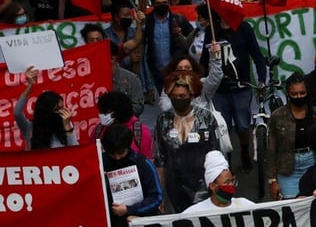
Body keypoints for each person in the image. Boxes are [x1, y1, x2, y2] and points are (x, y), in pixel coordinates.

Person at [201, 10, 268, 173]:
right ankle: (226, 161)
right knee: (222, 128)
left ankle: (244, 151)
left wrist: (261, 80)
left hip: (241, 87)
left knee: (243, 125)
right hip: (219, 89)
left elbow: (257, 55)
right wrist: (202, 82)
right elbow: (204, 59)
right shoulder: (212, 30)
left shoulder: (244, 29)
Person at [153, 71, 221, 212]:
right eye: (174, 97)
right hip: (175, 185)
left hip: (203, 184)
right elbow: (160, 159)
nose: (178, 99)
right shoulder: (163, 120)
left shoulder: (206, 117)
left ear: (191, 95)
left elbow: (216, 154)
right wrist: (160, 194)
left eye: (182, 96)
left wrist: (218, 187)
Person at [15, 66, 79, 151]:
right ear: (46, 112)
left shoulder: (65, 124)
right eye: (57, 109)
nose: (61, 112)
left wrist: (67, 126)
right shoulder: (29, 128)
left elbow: (75, 151)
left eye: (62, 108)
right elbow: (17, 113)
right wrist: (30, 85)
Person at [185, 150, 255, 212]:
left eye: (232, 181)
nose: (231, 185)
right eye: (227, 182)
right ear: (212, 186)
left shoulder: (245, 206)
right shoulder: (196, 213)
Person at [96, 90, 153, 160]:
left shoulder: (140, 132)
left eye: (106, 113)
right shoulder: (98, 131)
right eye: (101, 112)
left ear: (118, 112)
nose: (102, 116)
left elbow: (146, 160)